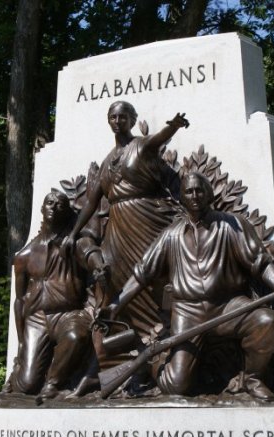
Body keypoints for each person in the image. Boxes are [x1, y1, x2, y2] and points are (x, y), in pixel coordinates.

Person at [104, 172, 274, 401]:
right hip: (189, 311)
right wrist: (116, 304)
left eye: (199, 190)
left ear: (209, 193)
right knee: (175, 386)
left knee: (266, 322)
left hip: (229, 306)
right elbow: (142, 273)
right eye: (188, 191)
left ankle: (252, 379)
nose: (194, 195)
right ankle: (152, 361)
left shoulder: (232, 225)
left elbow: (261, 262)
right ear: (182, 198)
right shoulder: (170, 235)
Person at [61, 101, 189, 341]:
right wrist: (73, 233)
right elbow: (91, 202)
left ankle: (170, 326)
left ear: (132, 120)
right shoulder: (108, 161)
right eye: (113, 117)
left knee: (155, 271)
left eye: (122, 117)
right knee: (117, 276)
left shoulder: (141, 146)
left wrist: (174, 126)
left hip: (147, 216)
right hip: (119, 225)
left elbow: (158, 138)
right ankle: (134, 334)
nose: (117, 121)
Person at [7, 190, 105, 401]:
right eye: (49, 203)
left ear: (67, 211)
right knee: (26, 384)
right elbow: (19, 300)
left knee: (75, 336)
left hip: (68, 314)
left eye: (60, 204)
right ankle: (19, 372)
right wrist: (21, 341)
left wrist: (99, 266)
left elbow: (90, 252)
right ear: (42, 209)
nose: (54, 207)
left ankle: (53, 383)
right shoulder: (23, 256)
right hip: (37, 319)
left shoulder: (73, 242)